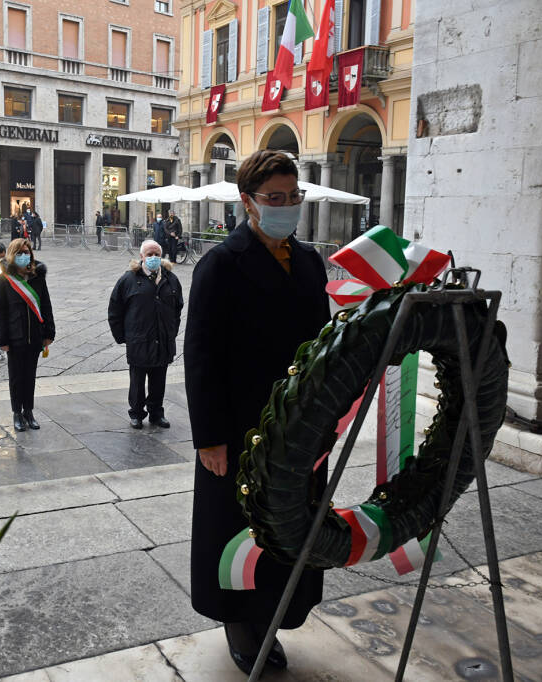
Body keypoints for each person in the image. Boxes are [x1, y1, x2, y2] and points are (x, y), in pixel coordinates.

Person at [184, 150, 327, 674]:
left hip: (303, 427)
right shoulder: (220, 264)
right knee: (238, 529)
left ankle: (275, 617)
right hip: (241, 430)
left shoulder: (309, 261)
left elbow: (323, 344)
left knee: (290, 527)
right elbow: (200, 356)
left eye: (293, 197)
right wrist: (209, 438)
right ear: (248, 202)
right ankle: (240, 626)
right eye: (275, 199)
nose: (287, 207)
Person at [108, 239, 183, 430]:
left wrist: (171, 331)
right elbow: (115, 310)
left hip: (163, 340)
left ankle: (157, 413)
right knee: (138, 382)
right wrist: (123, 337)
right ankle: (136, 413)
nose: (153, 258)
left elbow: (178, 309)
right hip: (139, 340)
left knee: (159, 380)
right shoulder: (128, 280)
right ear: (141, 257)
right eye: (149, 254)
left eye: (157, 254)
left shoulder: (170, 279)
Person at [0, 238, 55, 433]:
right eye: (19, 253)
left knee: (30, 376)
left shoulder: (38, 277)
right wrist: (2, 340)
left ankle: (29, 411)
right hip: (15, 337)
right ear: (12, 255)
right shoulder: (4, 280)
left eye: (26, 252)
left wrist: (49, 333)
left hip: (35, 336)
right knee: (16, 377)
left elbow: (46, 306)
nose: (24, 256)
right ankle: (17, 413)